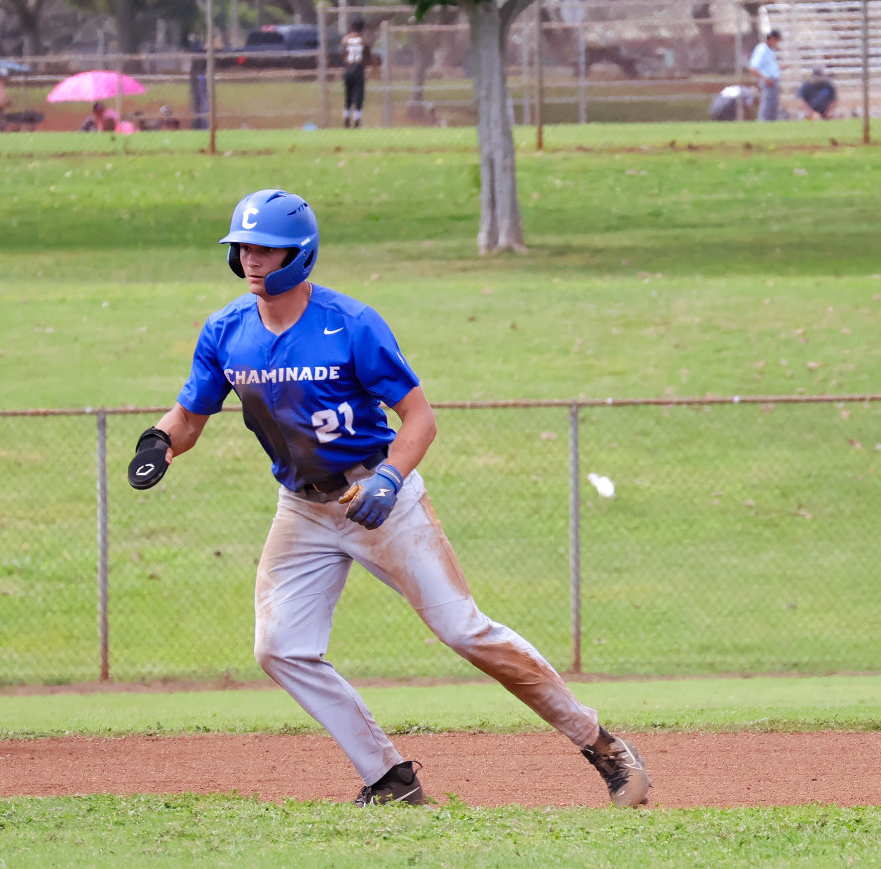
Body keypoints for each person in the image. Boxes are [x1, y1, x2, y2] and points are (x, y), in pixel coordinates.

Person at [128, 190, 653, 808]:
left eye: (266, 248)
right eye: (242, 247)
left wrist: (390, 479)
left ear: (300, 254)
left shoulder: (350, 324)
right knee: (279, 649)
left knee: (464, 630)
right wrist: (159, 441)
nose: (251, 259)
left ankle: (604, 748)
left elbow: (419, 418)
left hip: (380, 494)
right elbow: (190, 416)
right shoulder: (226, 330)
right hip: (302, 507)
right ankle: (390, 779)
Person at [748, 30, 783, 121]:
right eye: (776, 41)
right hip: (768, 81)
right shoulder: (762, 49)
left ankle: (771, 124)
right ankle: (762, 122)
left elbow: (770, 67)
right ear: (771, 39)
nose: (776, 44)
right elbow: (753, 67)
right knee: (767, 105)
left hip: (773, 81)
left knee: (773, 107)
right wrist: (765, 78)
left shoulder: (769, 51)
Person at [342, 20, 369, 129]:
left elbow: (343, 53)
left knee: (348, 94)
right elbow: (367, 56)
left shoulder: (346, 40)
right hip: (358, 68)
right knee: (359, 94)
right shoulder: (363, 40)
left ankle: (346, 116)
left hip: (348, 68)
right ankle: (357, 118)